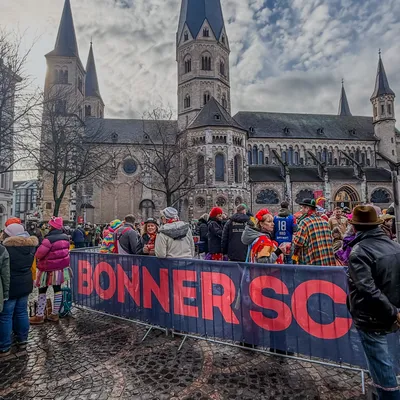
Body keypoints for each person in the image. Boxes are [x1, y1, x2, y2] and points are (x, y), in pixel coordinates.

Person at [347, 206, 400, 399]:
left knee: (381, 367)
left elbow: (368, 290)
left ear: (355, 227)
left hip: (372, 316)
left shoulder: (359, 252)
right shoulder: (395, 246)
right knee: (386, 363)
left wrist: (392, 312)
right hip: (393, 312)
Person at [0, 223, 38, 356]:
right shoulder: (30, 247)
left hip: (11, 285)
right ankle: (22, 340)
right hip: (25, 283)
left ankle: (4, 346)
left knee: (6, 315)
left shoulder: (6, 249)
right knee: (21, 312)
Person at [30, 216, 72, 324]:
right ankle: (55, 314)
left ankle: (39, 315)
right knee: (57, 289)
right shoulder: (66, 238)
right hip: (60, 268)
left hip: (47, 269)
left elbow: (39, 254)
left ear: (52, 227)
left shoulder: (49, 239)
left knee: (42, 290)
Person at [293, 198, 336, 266]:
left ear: (307, 208)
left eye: (302, 208)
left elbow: (298, 243)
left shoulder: (304, 222)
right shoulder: (325, 222)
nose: (300, 210)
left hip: (312, 263)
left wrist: (294, 238)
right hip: (327, 263)